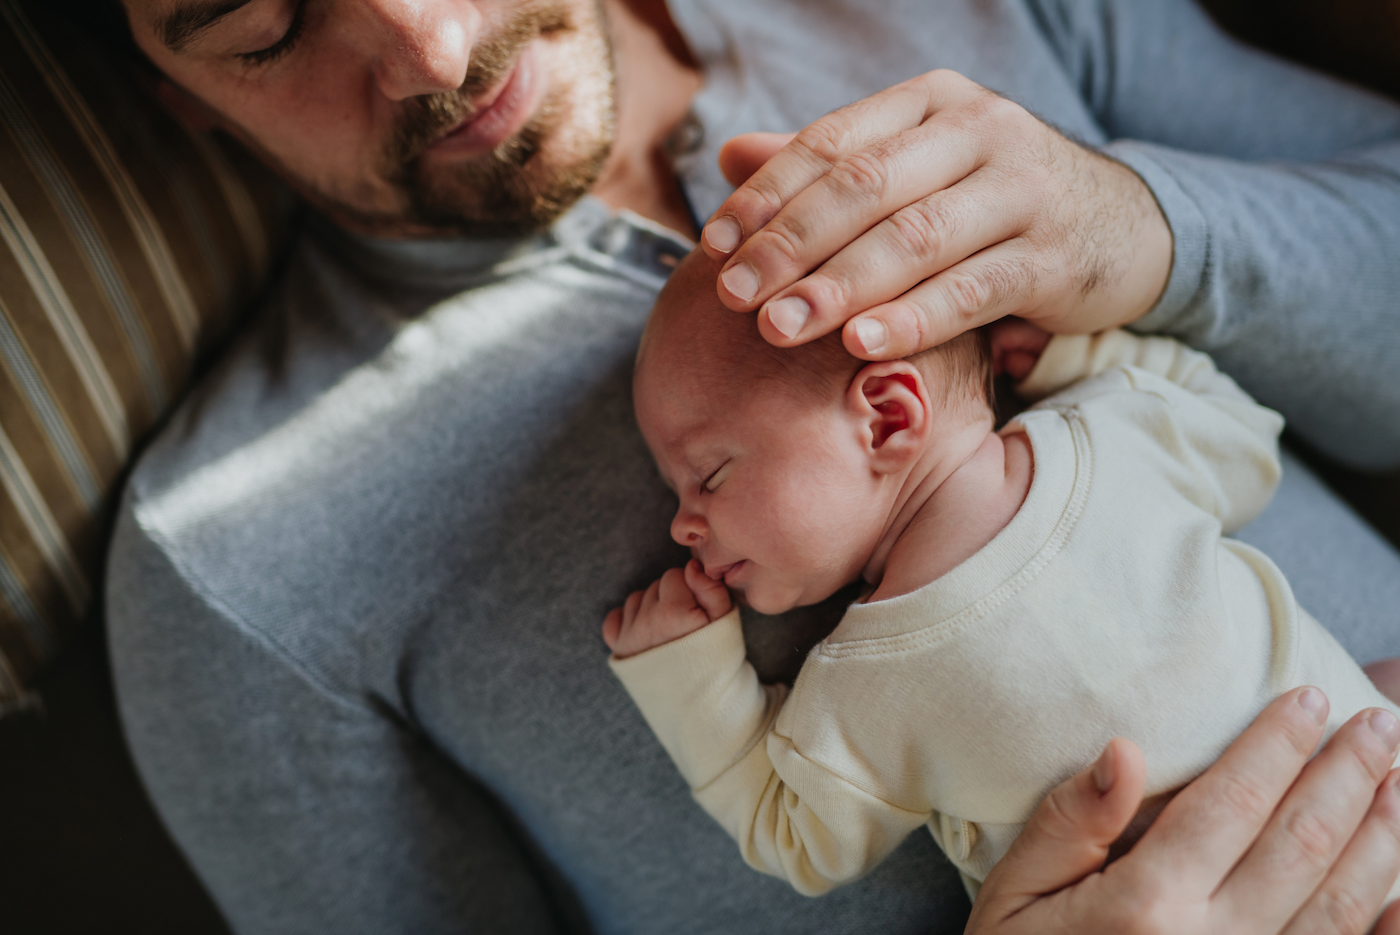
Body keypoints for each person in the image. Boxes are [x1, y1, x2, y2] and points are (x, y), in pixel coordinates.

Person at [104, 0, 1400, 931]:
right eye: (261, 27)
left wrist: (1151, 228)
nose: (427, 45)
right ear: (186, 97)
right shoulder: (233, 568)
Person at [603, 249, 1400, 905]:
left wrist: (691, 680)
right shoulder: (1113, 431)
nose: (682, 525)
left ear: (887, 417)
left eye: (707, 475)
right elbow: (1240, 434)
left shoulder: (870, 678)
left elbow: (790, 832)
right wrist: (1089, 355)